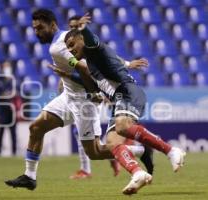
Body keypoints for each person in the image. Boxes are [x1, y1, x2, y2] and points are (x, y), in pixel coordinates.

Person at [5, 9, 153, 191]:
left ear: (52, 25)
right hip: (67, 97)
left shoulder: (59, 46)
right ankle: (29, 176)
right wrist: (127, 64)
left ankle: (141, 150)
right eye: (34, 29)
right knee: (36, 127)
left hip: (84, 102)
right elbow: (101, 55)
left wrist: (93, 93)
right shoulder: (68, 37)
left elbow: (84, 67)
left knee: (95, 152)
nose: (37, 32)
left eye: (40, 28)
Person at [63, 14, 186, 195]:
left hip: (128, 91)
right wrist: (69, 76)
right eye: (68, 48)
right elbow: (97, 81)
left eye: (72, 44)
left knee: (121, 127)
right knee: (112, 143)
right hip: (119, 97)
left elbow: (93, 41)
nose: (71, 50)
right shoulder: (91, 63)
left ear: (81, 39)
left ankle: (171, 150)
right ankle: (138, 173)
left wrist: (84, 29)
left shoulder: (93, 49)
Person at [65, 15, 150, 179]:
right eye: (70, 26)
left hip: (100, 93)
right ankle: (136, 154)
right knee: (94, 141)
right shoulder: (68, 47)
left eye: (74, 26)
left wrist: (126, 64)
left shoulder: (84, 46)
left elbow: (106, 55)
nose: (72, 28)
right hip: (87, 93)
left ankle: (129, 160)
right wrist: (65, 79)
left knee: (103, 140)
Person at [0, 61, 18, 156]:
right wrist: (1, 95)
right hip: (2, 109)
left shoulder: (14, 80)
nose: (7, 69)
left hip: (11, 109)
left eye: (8, 67)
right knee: (1, 132)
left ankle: (14, 152)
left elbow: (18, 92)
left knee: (13, 133)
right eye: (6, 67)